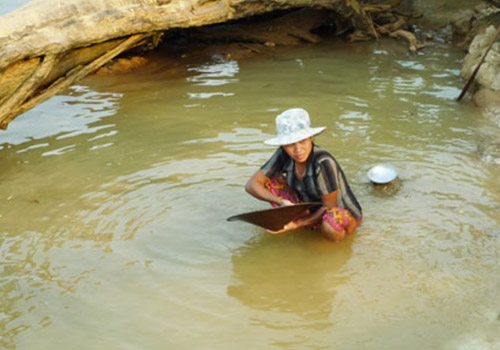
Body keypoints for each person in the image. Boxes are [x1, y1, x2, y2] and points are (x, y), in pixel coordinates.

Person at [245, 108, 362, 242]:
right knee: (269, 181)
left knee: (330, 223)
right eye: (290, 144)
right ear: (283, 145)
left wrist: (296, 224)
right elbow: (252, 185)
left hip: (339, 214)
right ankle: (307, 223)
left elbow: (329, 206)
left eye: (302, 141)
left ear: (311, 138)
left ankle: (330, 244)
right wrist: (280, 201)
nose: (298, 149)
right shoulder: (283, 155)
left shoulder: (323, 162)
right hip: (310, 209)